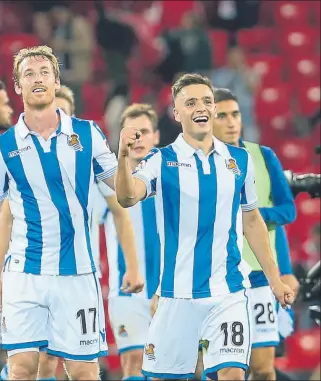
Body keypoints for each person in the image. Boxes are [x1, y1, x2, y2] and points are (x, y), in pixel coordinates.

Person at [0, 45, 144, 381]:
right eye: (29, 74)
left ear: (55, 81)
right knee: (22, 368)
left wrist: (125, 157)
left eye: (44, 73)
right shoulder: (3, 147)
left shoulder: (88, 134)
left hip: (77, 274)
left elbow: (125, 197)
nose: (37, 79)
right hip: (24, 275)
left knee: (83, 370)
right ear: (18, 86)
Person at [115, 73, 295, 380]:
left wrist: (275, 280)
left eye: (207, 101)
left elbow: (252, 221)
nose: (201, 107)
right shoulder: (161, 160)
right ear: (177, 113)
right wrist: (122, 155)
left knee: (232, 374)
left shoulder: (240, 160)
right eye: (191, 102)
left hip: (228, 293)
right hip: (176, 295)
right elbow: (128, 196)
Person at [212, 87, 298, 380]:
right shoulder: (197, 162)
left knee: (263, 367)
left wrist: (253, 215)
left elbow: (288, 211)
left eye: (234, 114)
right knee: (218, 369)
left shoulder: (263, 156)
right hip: (217, 277)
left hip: (260, 275)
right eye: (221, 116)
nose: (231, 122)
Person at [104, 103, 161, 380]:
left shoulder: (171, 175)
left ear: (157, 136)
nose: (138, 140)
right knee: (133, 362)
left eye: (145, 132)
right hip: (126, 289)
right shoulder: (105, 181)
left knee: (169, 367)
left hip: (170, 288)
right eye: (132, 134)